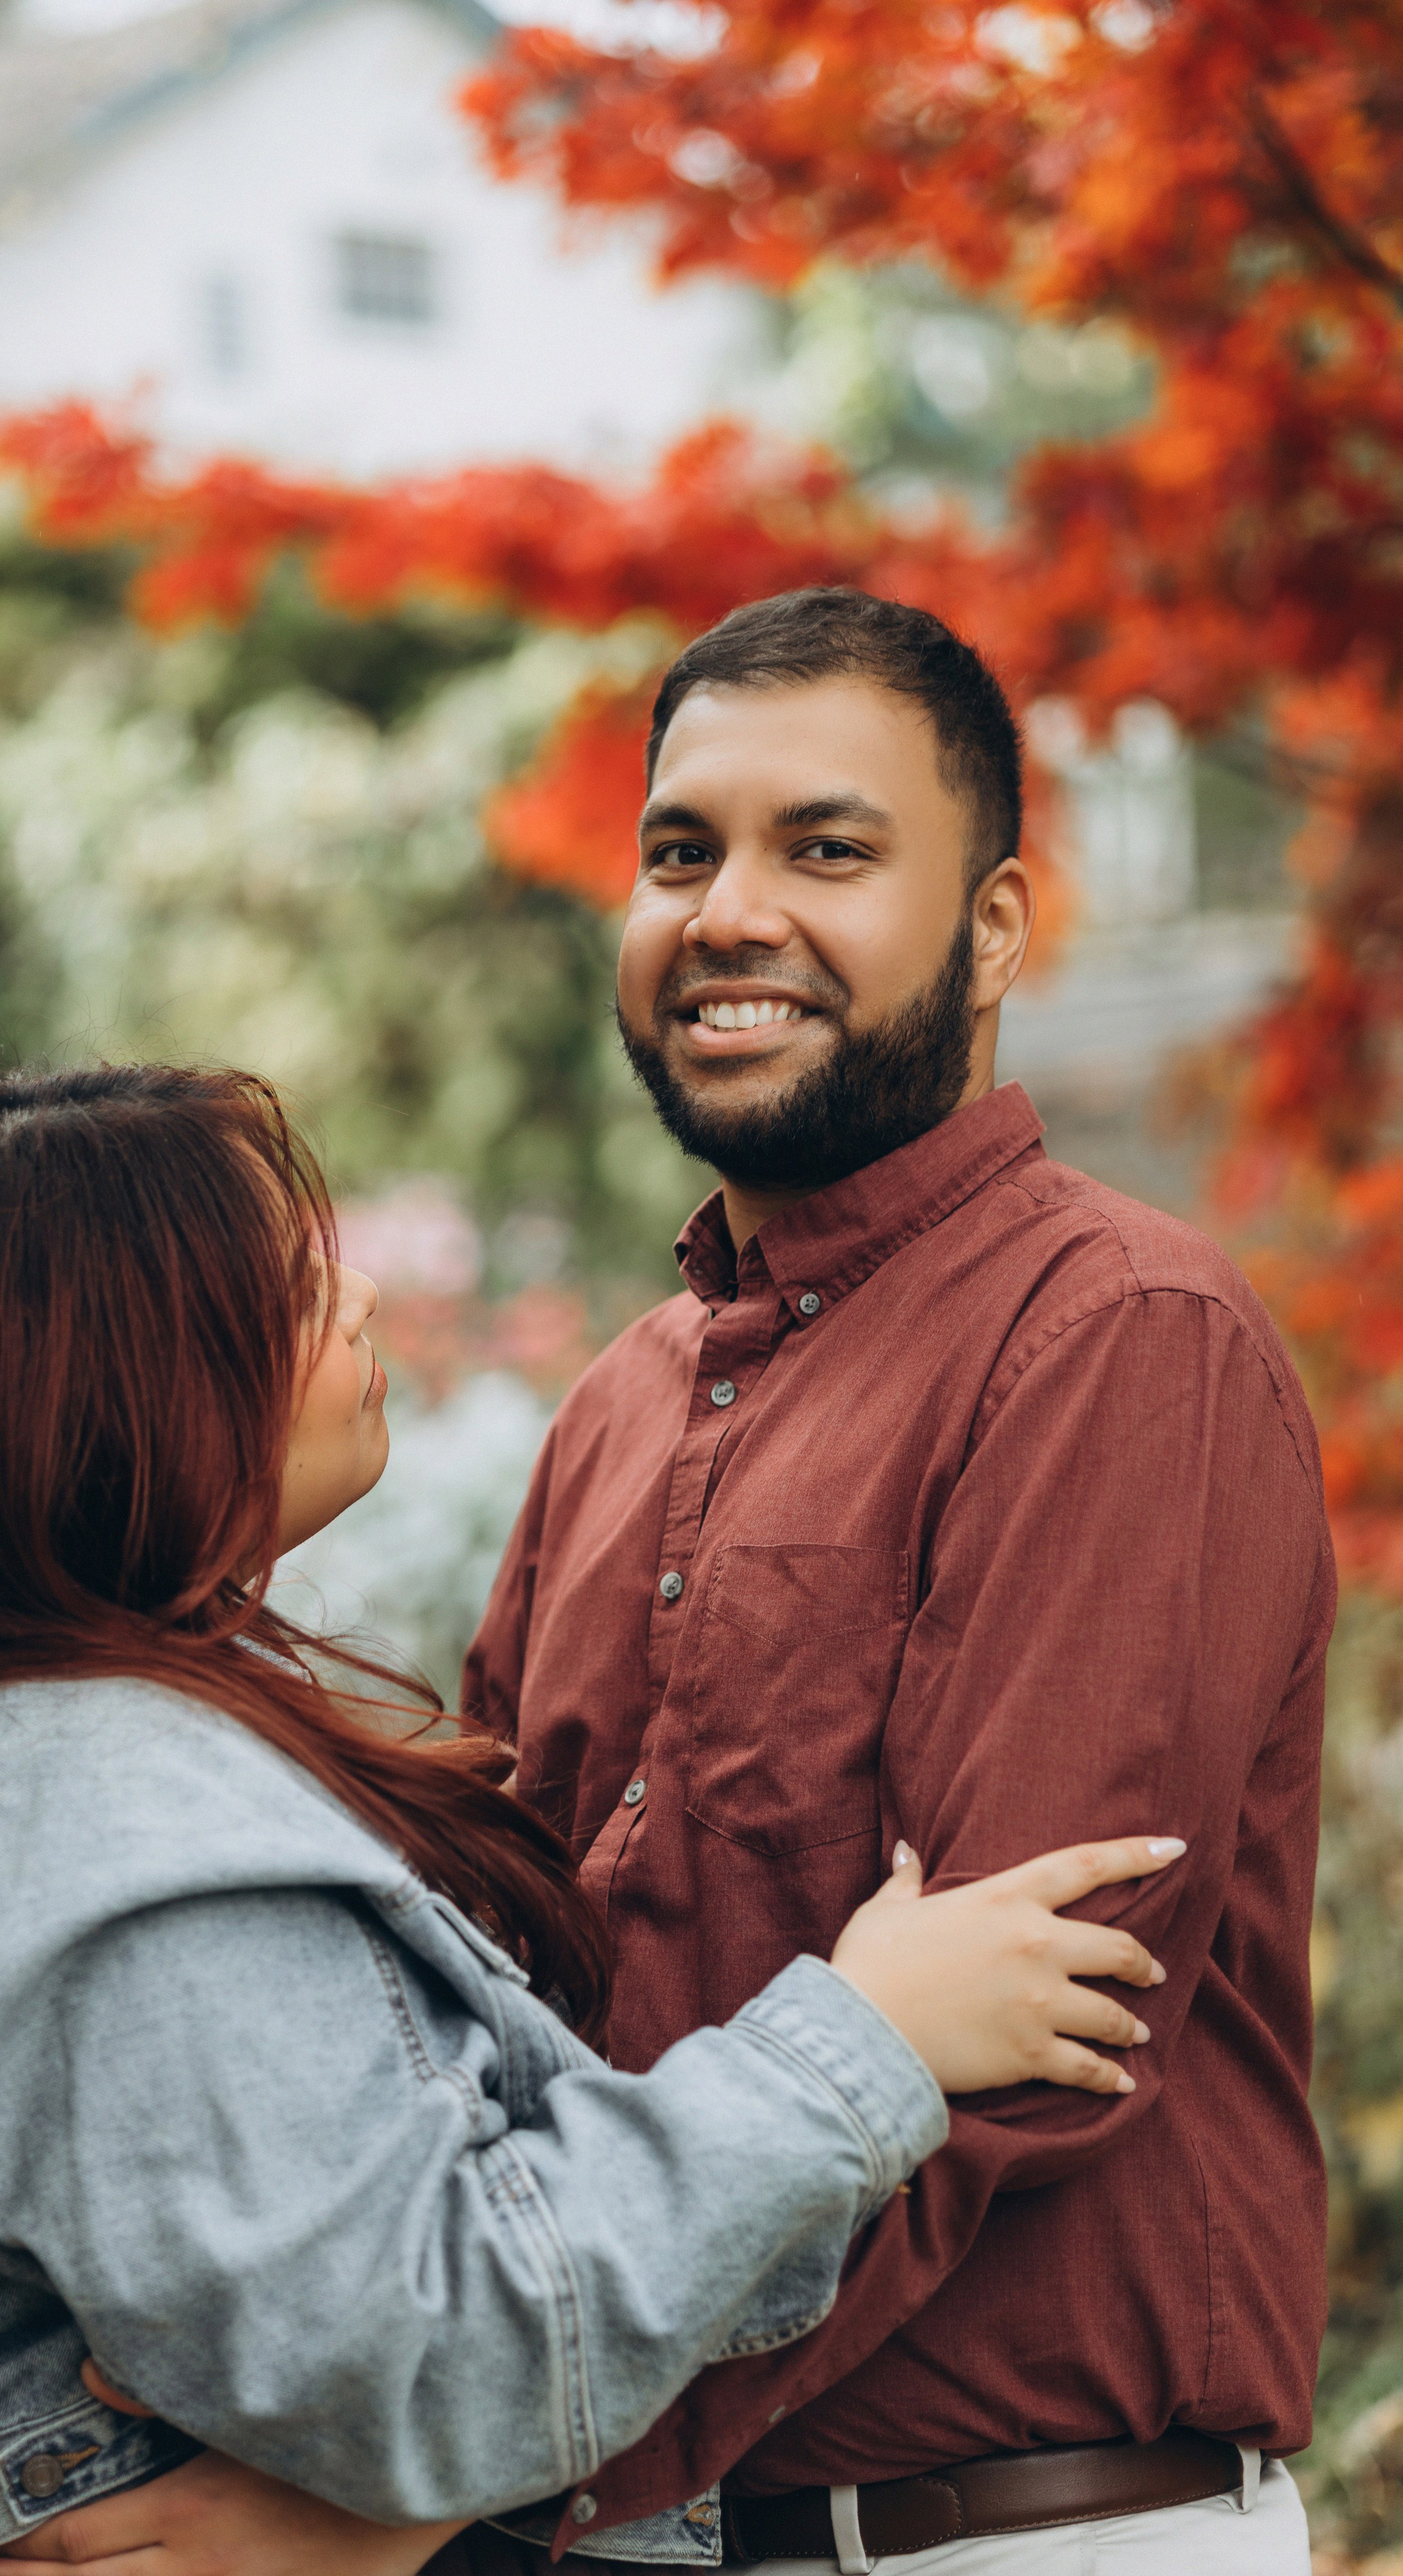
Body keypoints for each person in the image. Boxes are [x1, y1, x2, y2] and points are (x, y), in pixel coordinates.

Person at [0, 1063, 1178, 2576]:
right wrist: (868, 2042)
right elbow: (437, 2351)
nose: (364, 1294)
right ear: (113, 1386)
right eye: (288, 1276)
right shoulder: (103, 1828)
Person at [455, 588, 1334, 2573]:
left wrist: (509, 2449)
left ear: (999, 930)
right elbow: (491, 1987)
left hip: (1007, 2538)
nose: (728, 912)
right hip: (635, 2523)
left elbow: (1026, 2057)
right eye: (681, 852)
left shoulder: (1119, 1334)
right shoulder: (616, 1406)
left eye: (826, 849)